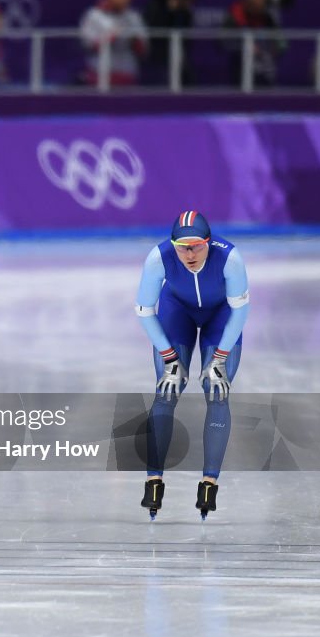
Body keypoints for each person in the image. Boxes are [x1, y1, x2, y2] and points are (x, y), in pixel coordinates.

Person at [134, 211, 250, 520]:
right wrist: (170, 357)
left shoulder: (231, 259)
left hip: (220, 316)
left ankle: (209, 482)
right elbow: (145, 310)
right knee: (166, 390)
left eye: (196, 246)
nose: (188, 254)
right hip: (177, 313)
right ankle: (153, 481)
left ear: (208, 243)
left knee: (217, 389)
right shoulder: (158, 258)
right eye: (182, 247)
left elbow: (240, 313)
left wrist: (220, 358)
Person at [80, 0, 149, 87]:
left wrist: (134, 39)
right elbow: (87, 45)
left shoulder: (134, 17)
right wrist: (110, 38)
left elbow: (143, 50)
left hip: (126, 72)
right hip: (99, 72)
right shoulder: (94, 15)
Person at [224, 0, 285, 88]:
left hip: (264, 71)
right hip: (240, 71)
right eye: (258, 0)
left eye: (263, 0)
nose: (262, 4)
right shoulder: (234, 16)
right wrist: (246, 47)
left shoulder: (267, 17)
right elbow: (224, 43)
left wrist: (276, 47)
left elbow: (282, 42)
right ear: (249, 1)